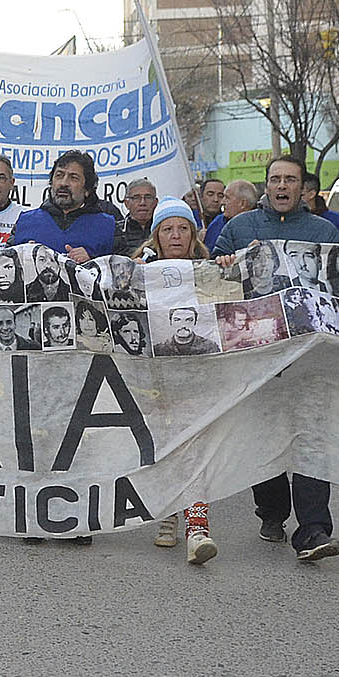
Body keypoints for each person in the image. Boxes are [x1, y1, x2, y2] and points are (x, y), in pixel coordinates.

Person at [210, 155, 339, 561]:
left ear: (303, 188)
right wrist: (228, 265)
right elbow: (212, 281)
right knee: (265, 436)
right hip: (258, 352)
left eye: (290, 180)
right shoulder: (239, 227)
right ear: (265, 186)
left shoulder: (324, 231)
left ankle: (314, 530)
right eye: (275, 179)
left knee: (310, 438)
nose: (282, 186)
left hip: (310, 353)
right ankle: (271, 511)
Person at [127, 198, 219, 562]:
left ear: (193, 234)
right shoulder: (139, 269)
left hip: (198, 377)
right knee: (164, 447)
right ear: (156, 236)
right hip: (155, 376)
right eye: (168, 229)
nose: (176, 235)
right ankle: (167, 516)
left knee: (193, 449)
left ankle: (198, 529)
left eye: (183, 228)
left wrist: (226, 267)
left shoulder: (208, 269)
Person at [203, 179, 256, 250]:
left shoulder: (261, 224)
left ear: (243, 204)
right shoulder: (217, 222)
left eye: (227, 198)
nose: (222, 202)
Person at [113, 178, 159, 255]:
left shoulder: (163, 229)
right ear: (126, 203)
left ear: (155, 202)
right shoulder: (115, 230)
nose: (142, 203)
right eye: (136, 198)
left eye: (148, 197)